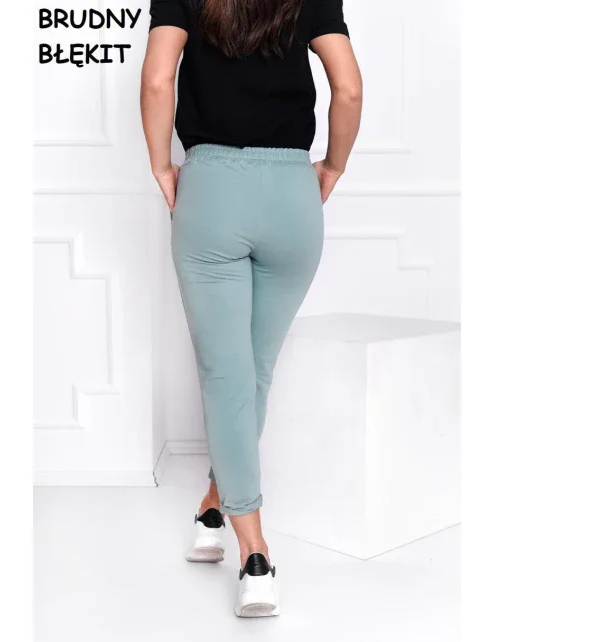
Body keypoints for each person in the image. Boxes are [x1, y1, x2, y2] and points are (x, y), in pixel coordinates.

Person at [141, 0, 362, 617]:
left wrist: (161, 165)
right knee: (253, 372)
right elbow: (347, 87)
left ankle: (255, 555)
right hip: (293, 193)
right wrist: (333, 166)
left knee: (228, 376)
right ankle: (214, 508)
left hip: (212, 188)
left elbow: (157, 78)